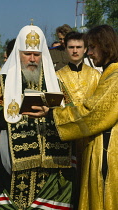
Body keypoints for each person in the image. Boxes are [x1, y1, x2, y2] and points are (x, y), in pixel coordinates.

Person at [0, 25, 76, 209]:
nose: (32, 59)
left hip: (50, 171)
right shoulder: (3, 82)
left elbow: (72, 116)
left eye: (37, 54)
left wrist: (52, 112)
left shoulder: (55, 82)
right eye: (27, 54)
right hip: (11, 170)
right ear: (18, 53)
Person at [52, 25, 118, 209]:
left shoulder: (114, 76)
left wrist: (54, 115)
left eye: (92, 47)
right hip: (84, 143)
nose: (89, 53)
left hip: (107, 149)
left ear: (106, 46)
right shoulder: (109, 73)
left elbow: (93, 112)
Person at [55, 31, 101, 192]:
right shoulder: (57, 77)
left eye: (79, 47)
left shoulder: (96, 76)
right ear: (65, 48)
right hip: (67, 139)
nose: (75, 50)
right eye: (71, 47)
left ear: (85, 49)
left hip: (91, 138)